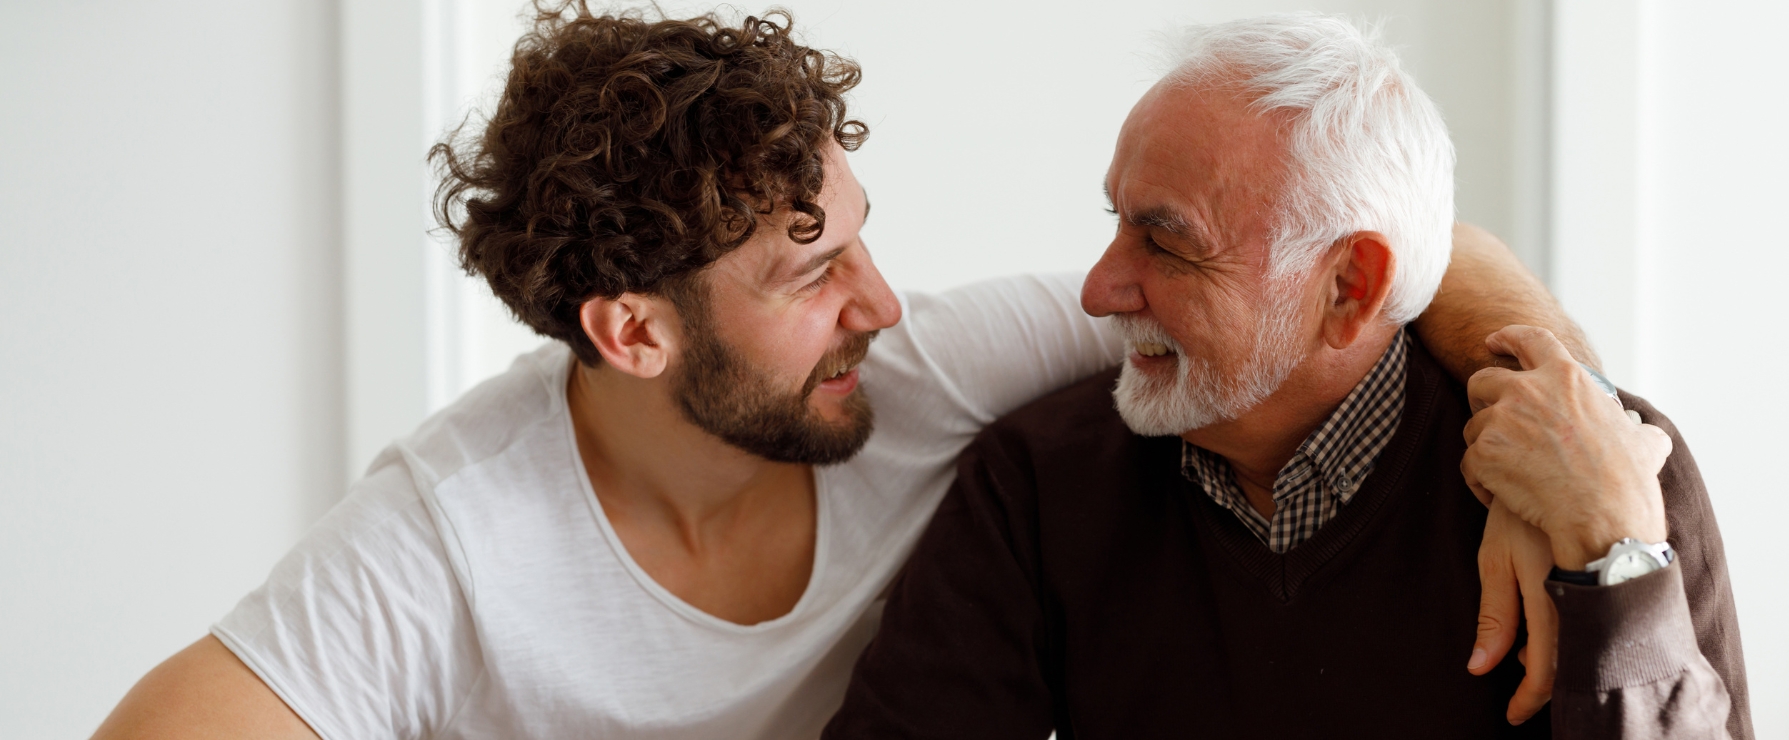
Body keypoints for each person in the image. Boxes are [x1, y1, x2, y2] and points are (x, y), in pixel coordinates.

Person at [94, 6, 1615, 739]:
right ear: (635, 333)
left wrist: (1550, 437)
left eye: (863, 240)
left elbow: (1373, 252)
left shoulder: (928, 370)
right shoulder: (448, 539)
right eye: (811, 274)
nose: (881, 302)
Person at [824, 13, 1749, 740]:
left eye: (1165, 240)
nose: (1100, 291)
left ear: (1350, 287)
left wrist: (1617, 567)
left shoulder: (1608, 478)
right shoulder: (1038, 485)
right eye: (1115, 220)